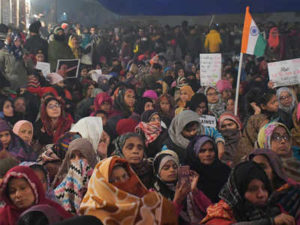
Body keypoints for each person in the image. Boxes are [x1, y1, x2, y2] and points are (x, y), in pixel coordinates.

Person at [79, 156, 178, 225]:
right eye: (115, 180)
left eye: (125, 176)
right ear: (104, 185)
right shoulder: (94, 211)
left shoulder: (150, 201)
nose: (123, 182)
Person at [201, 161, 295, 225]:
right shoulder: (221, 214)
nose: (261, 194)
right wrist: (270, 222)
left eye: (264, 188)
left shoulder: (274, 210)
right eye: (252, 189)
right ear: (238, 191)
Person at [153, 150, 211, 224]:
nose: (172, 170)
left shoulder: (186, 187)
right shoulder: (154, 195)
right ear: (158, 172)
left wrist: (194, 191)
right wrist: (177, 201)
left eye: (175, 167)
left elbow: (210, 208)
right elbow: (163, 222)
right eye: (166, 168)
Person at [0, 166, 72, 225]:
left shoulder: (52, 210)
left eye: (23, 188)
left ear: (35, 187)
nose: (18, 195)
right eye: (12, 191)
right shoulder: (4, 216)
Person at [248, 149, 300, 223]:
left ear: (275, 170)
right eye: (253, 167)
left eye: (262, 167)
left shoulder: (294, 194)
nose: (257, 170)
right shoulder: (245, 196)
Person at [54, 138, 97, 213]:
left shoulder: (99, 181)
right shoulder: (60, 183)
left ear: (90, 157)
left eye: (81, 156)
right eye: (73, 157)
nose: (77, 160)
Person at [186, 136, 231, 203]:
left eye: (211, 150)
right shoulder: (189, 174)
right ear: (194, 153)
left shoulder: (225, 171)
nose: (208, 154)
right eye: (202, 151)